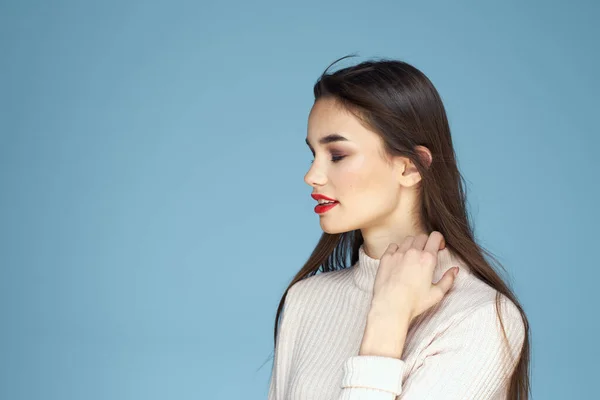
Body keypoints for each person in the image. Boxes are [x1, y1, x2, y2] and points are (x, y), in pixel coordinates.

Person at [267, 56, 530, 400]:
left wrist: (387, 322)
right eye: (313, 154)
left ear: (410, 167)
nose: (312, 176)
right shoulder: (307, 301)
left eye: (337, 155)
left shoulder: (481, 317)